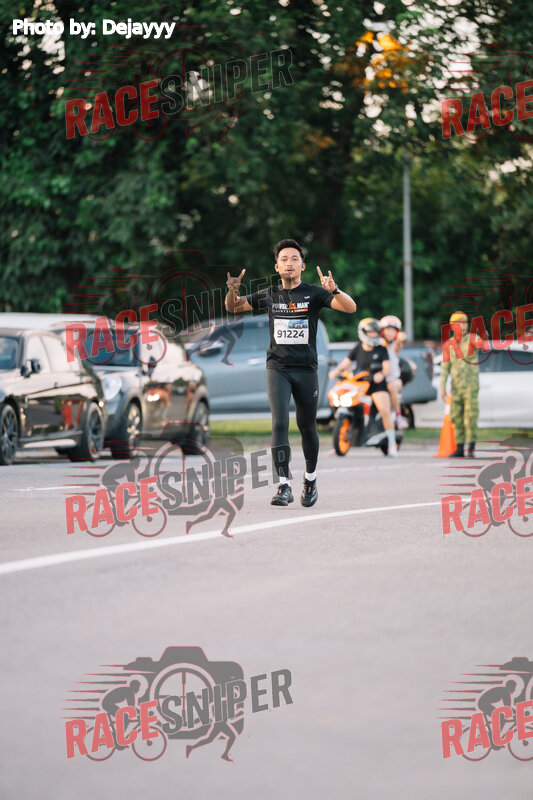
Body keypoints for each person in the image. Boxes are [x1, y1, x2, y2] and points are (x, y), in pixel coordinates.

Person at [225, 238, 356, 507]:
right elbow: (233, 306)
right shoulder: (270, 294)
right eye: (284, 259)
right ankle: (283, 485)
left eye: (294, 259)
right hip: (278, 368)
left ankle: (310, 480)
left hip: (306, 369)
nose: (289, 264)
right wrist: (232, 292)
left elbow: (350, 308)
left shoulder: (314, 293)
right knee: (279, 423)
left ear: (302, 266)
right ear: (277, 267)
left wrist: (334, 290)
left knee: (307, 426)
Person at [329, 318, 398, 457]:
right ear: (363, 332)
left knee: (384, 409)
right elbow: (346, 363)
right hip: (359, 384)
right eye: (370, 332)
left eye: (375, 332)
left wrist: (380, 374)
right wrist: (336, 371)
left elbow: (387, 369)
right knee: (340, 398)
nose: (373, 334)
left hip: (376, 385)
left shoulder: (381, 349)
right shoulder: (357, 348)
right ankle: (341, 440)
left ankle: (392, 444)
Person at [440, 311, 479, 458]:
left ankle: (471, 448)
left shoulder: (472, 339)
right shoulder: (448, 345)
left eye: (464, 323)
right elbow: (445, 368)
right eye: (458, 323)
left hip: (470, 386)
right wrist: (442, 387)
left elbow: (482, 344)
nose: (462, 326)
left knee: (471, 417)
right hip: (456, 387)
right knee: (456, 417)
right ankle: (460, 448)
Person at [379, 315, 409, 430]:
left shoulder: (395, 345)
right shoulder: (379, 344)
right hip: (381, 379)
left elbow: (402, 338)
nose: (390, 333)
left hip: (394, 379)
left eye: (393, 331)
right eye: (387, 330)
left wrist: (400, 337)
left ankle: (398, 416)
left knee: (391, 386)